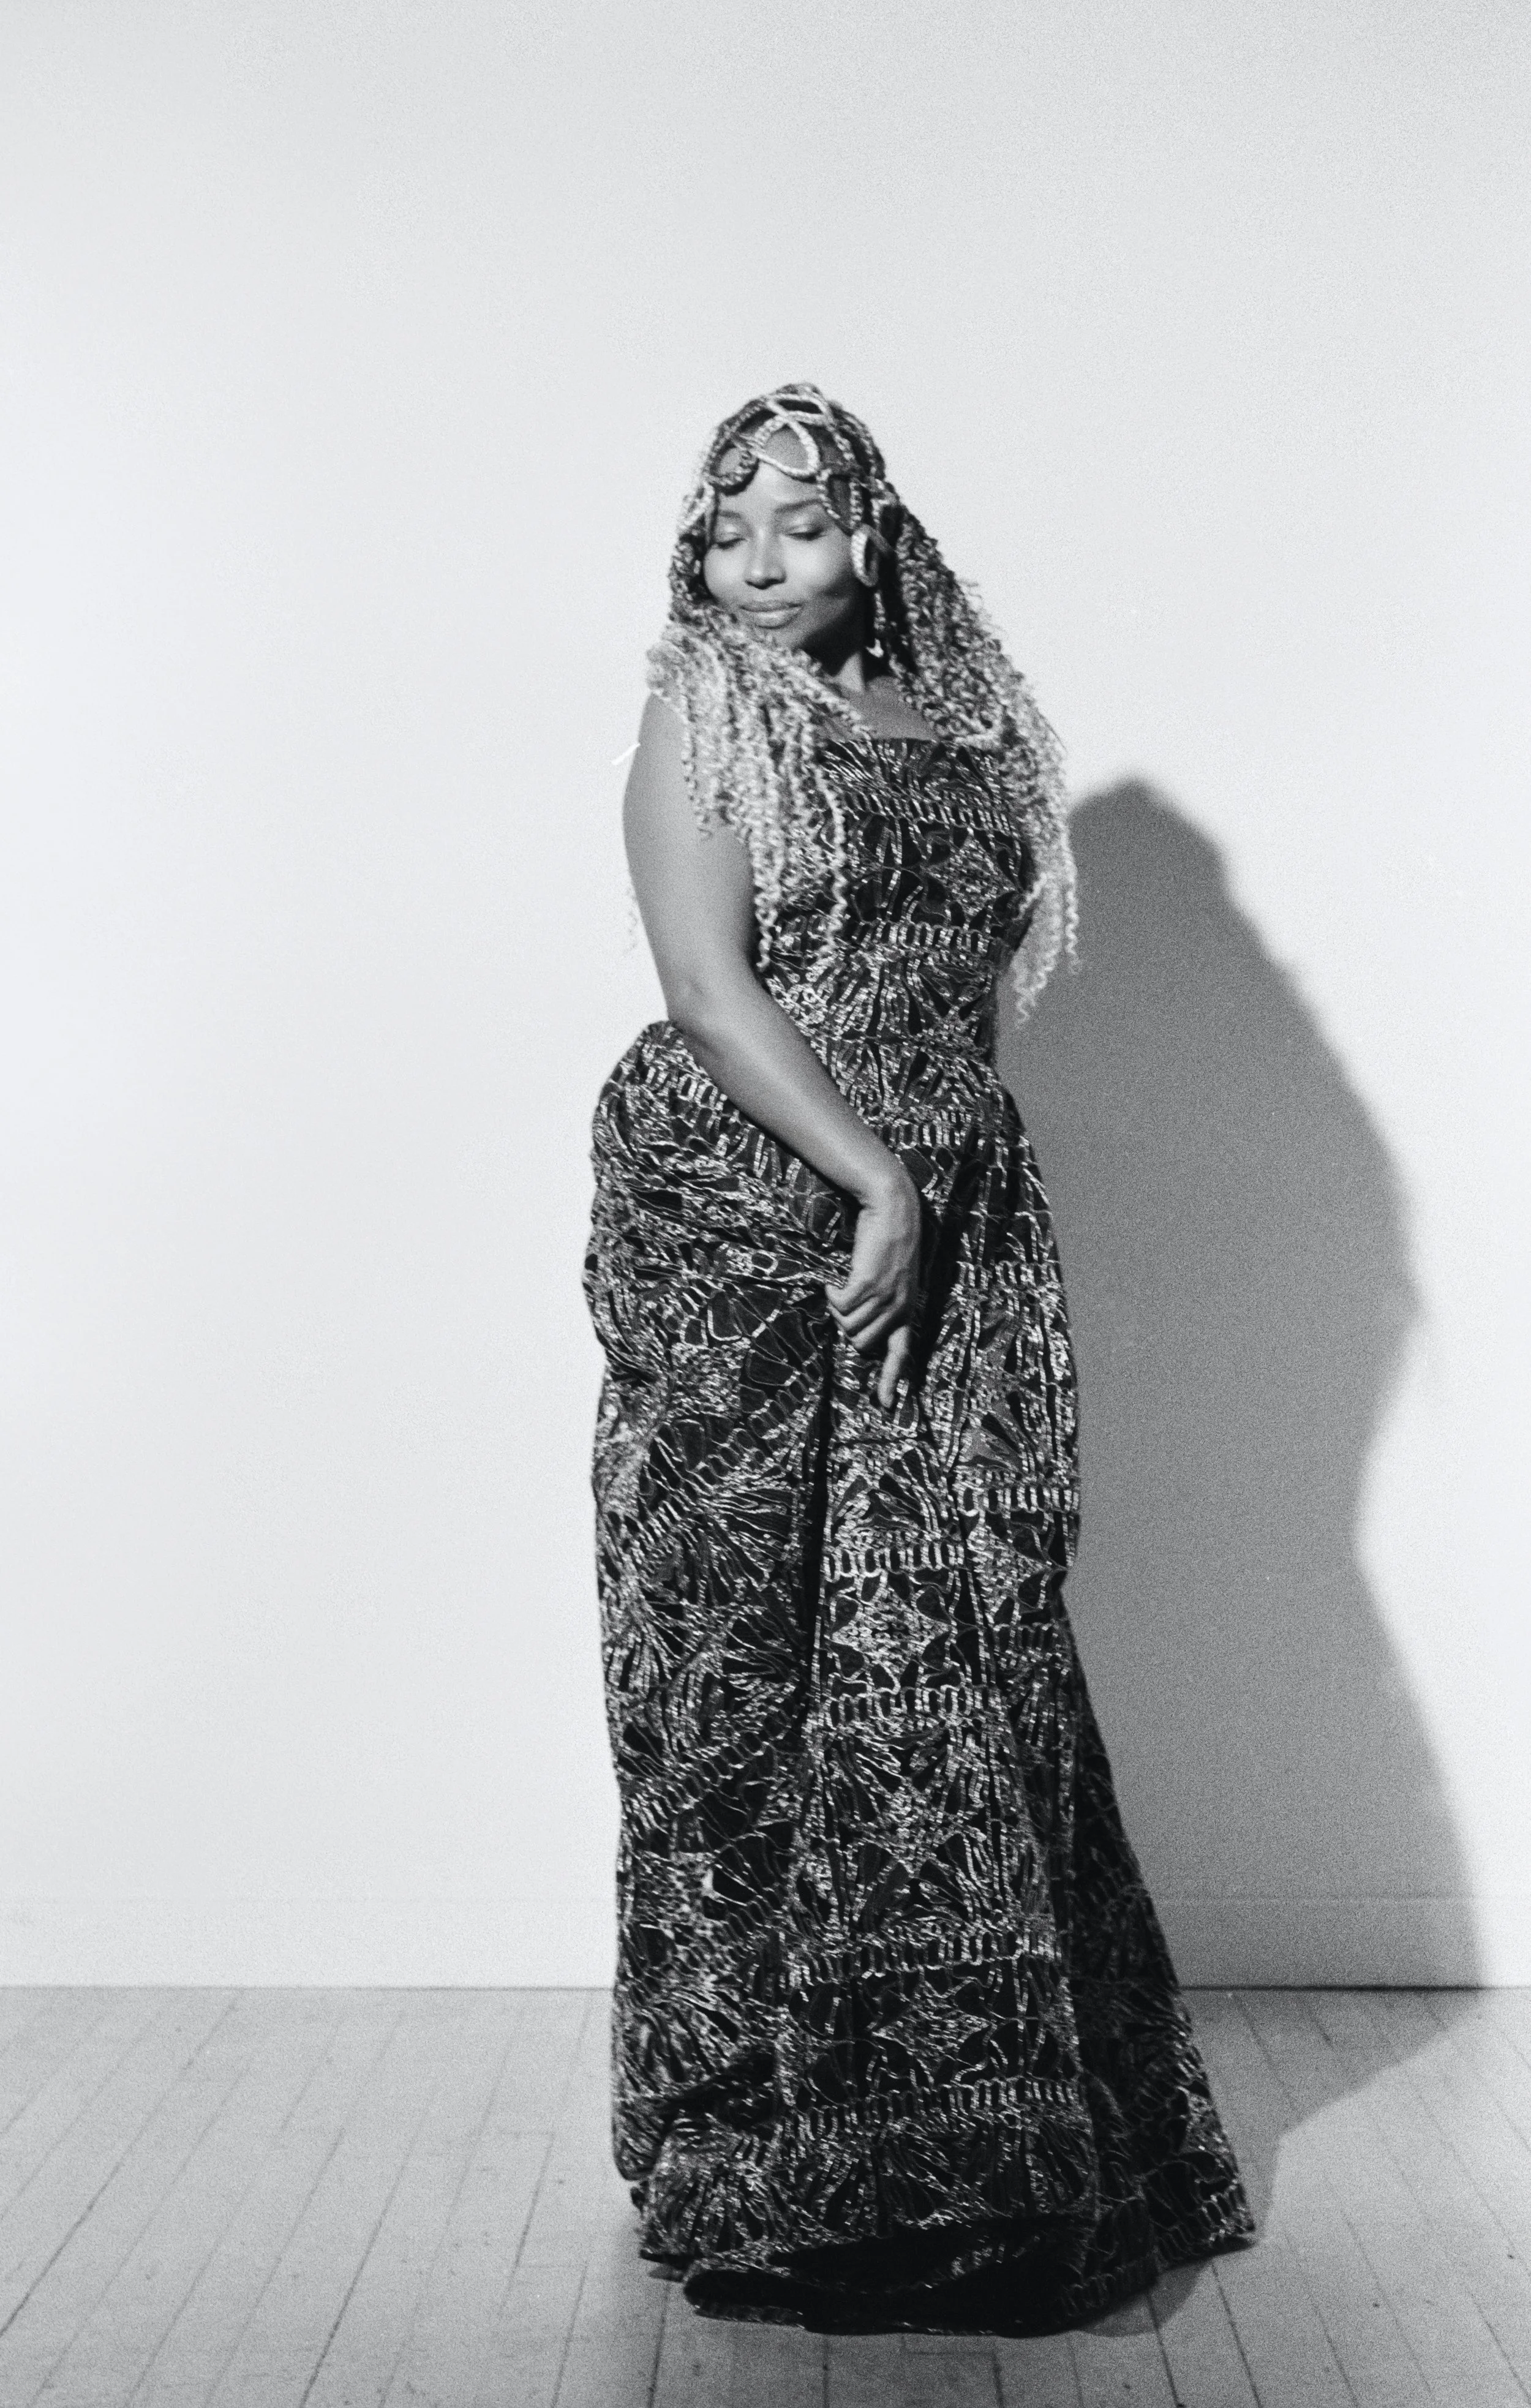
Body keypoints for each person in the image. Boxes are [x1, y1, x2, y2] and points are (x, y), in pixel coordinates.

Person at [583, 384, 1252, 2330]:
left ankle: (987, 2166)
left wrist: (935, 1173)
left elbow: (954, 981)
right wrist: (873, 1171)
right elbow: (707, 995)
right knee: (752, 1674)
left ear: (875, 527)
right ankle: (773, 2174)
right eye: (729, 532)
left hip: (946, 1203)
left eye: (801, 522)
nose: (761, 562)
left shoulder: (959, 720)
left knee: (964, 1650)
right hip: (746, 1213)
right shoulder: (701, 711)